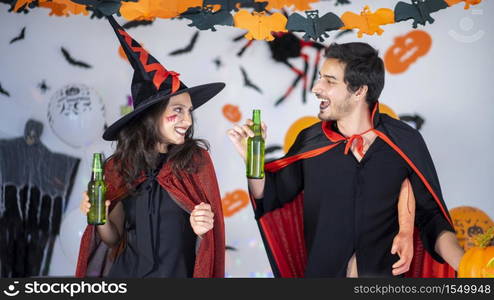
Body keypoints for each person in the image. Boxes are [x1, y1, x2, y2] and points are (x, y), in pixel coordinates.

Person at [227, 42, 464, 277]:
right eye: (320, 78)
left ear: (359, 90)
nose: (316, 88)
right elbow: (269, 196)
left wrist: (468, 266)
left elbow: (432, 220)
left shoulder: (404, 142)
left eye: (329, 81)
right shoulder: (310, 140)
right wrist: (252, 161)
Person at [75, 16, 225, 278]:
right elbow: (113, 238)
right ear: (150, 115)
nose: (188, 120)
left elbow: (209, 243)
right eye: (177, 110)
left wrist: (203, 229)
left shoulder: (196, 162)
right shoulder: (119, 167)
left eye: (189, 111)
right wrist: (98, 218)